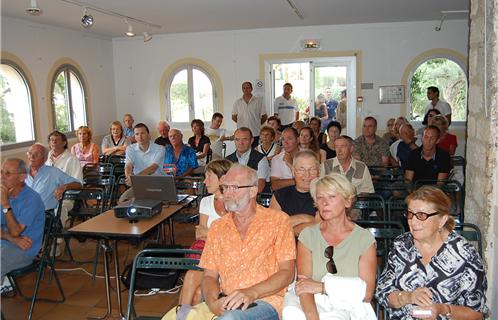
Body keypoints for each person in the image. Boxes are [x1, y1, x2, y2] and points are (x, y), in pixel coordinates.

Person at [185, 165, 295, 319]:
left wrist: (250, 293)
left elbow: (287, 273)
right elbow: (209, 276)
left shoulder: (278, 221)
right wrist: (212, 302)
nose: (227, 194)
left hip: (264, 301)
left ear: (252, 191)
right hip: (227, 301)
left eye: (234, 187)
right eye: (225, 187)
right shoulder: (218, 227)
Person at [375, 186, 488, 320]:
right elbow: (382, 292)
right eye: (410, 214)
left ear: (442, 220)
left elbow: (476, 314)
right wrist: (408, 297)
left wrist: (443, 309)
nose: (413, 221)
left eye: (421, 215)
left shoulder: (465, 254)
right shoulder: (401, 245)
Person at [282, 173, 377, 320]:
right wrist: (312, 316)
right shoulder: (308, 236)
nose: (324, 203)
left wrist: (322, 287)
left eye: (332, 197)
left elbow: (367, 293)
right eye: (320, 198)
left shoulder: (364, 239)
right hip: (312, 306)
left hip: (350, 309)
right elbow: (303, 286)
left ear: (347, 202)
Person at [175, 160, 232, 320]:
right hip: (207, 256)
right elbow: (199, 235)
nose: (204, 181)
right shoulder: (206, 202)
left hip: (229, 260)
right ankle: (181, 316)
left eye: (209, 177)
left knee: (194, 280)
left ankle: (179, 315)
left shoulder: (236, 203)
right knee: (196, 288)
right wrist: (219, 236)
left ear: (222, 178)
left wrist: (210, 234)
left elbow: (234, 240)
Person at [1, 159, 45, 279]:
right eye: (1, 172)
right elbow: (13, 236)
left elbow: (15, 232)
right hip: (6, 243)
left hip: (24, 250)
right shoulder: (3, 193)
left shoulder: (32, 199)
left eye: (8, 173)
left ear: (21, 177)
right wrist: (10, 238)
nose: (2, 177)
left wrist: (5, 204)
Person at [270, 150, 320, 236]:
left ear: (319, 172)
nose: (307, 175)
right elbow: (271, 227)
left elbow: (324, 228)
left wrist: (287, 225)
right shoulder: (280, 195)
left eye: (312, 169)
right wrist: (306, 218)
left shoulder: (325, 196)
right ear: (293, 172)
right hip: (285, 246)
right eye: (301, 169)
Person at [25, 143, 82, 212]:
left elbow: (78, 185)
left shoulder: (53, 172)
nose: (32, 156)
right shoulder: (20, 173)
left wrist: (64, 187)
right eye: (30, 153)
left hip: (43, 216)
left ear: (45, 159)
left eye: (36, 154)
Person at [119, 123, 165, 203]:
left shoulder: (160, 149)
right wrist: (129, 176)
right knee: (123, 201)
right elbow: (128, 165)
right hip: (139, 184)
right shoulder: (130, 149)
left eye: (142, 133)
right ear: (134, 137)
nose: (140, 137)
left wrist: (135, 179)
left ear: (148, 135)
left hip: (157, 183)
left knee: (150, 203)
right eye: (137, 134)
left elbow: (152, 168)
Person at [226, 127, 270, 193]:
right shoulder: (228, 160)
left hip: (255, 199)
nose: (241, 143)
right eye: (237, 139)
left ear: (251, 141)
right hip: (233, 198)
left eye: (245, 139)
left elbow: (260, 186)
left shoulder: (261, 159)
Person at [232, 81, 267, 148]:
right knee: (243, 152)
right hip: (242, 134)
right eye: (244, 88)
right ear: (242, 89)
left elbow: (264, 116)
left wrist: (257, 123)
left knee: (255, 153)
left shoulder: (259, 101)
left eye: (248, 87)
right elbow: (233, 117)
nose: (246, 89)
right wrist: (242, 122)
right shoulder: (237, 102)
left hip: (255, 132)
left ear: (251, 89)